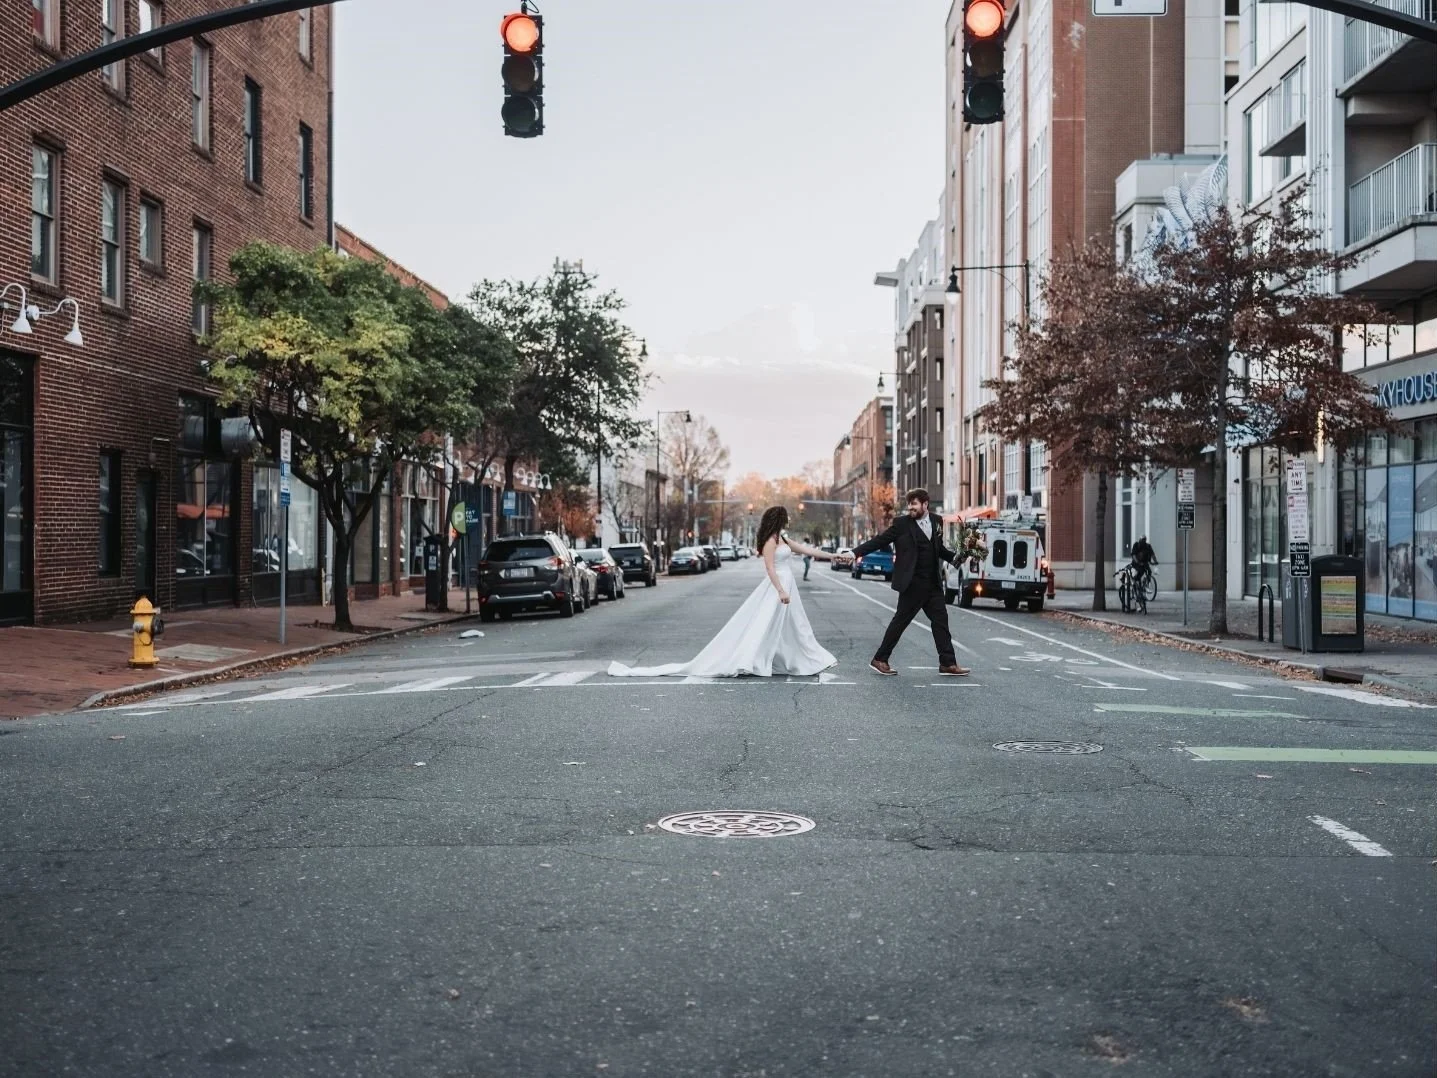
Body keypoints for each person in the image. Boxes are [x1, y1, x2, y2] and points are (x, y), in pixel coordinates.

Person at [608, 506, 837, 678]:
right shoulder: (769, 541)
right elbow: (769, 568)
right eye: (786, 516)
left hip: (788, 585)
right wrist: (780, 590)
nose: (789, 519)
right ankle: (748, 659)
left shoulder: (783, 538)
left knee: (795, 624)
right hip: (777, 587)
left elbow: (806, 549)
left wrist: (835, 556)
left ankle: (803, 659)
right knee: (763, 624)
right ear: (779, 518)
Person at [851, 488, 968, 678]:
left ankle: (948, 663)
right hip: (912, 584)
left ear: (925, 504)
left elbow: (938, 549)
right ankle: (880, 659)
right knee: (900, 622)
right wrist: (854, 553)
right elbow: (879, 541)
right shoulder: (901, 524)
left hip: (933, 584)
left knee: (941, 622)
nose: (911, 508)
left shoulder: (937, 521)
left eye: (914, 504)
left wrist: (958, 557)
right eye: (909, 504)